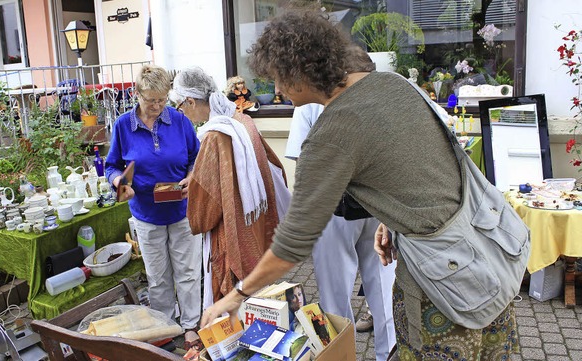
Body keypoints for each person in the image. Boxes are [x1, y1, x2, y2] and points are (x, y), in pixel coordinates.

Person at [201, 11, 519, 361]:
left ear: (299, 73)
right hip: (490, 261)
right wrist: (393, 215)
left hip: (447, 287)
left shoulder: (332, 132)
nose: (276, 90)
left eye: (278, 78)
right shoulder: (393, 84)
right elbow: (432, 164)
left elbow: (293, 242)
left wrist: (236, 296)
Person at [171, 66, 290, 308]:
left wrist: (192, 190)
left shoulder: (214, 137)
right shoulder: (242, 120)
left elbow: (205, 209)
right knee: (260, 295)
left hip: (231, 232)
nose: (181, 113)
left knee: (234, 303)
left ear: (191, 101)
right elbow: (272, 165)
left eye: (180, 106)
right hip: (256, 222)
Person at [287, 103, 396, 361]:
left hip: (333, 207)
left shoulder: (308, 103)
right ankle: (387, 355)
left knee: (335, 296)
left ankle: (341, 356)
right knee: (384, 290)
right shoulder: (369, 91)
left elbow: (305, 163)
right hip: (377, 203)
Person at [105, 64, 202, 350]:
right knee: (158, 276)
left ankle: (190, 325)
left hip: (181, 210)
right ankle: (165, 325)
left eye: (162, 99)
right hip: (146, 213)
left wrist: (191, 176)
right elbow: (112, 165)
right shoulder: (123, 125)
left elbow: (196, 157)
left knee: (187, 272)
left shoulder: (181, 121)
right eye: (151, 100)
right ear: (137, 94)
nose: (157, 106)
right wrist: (118, 181)